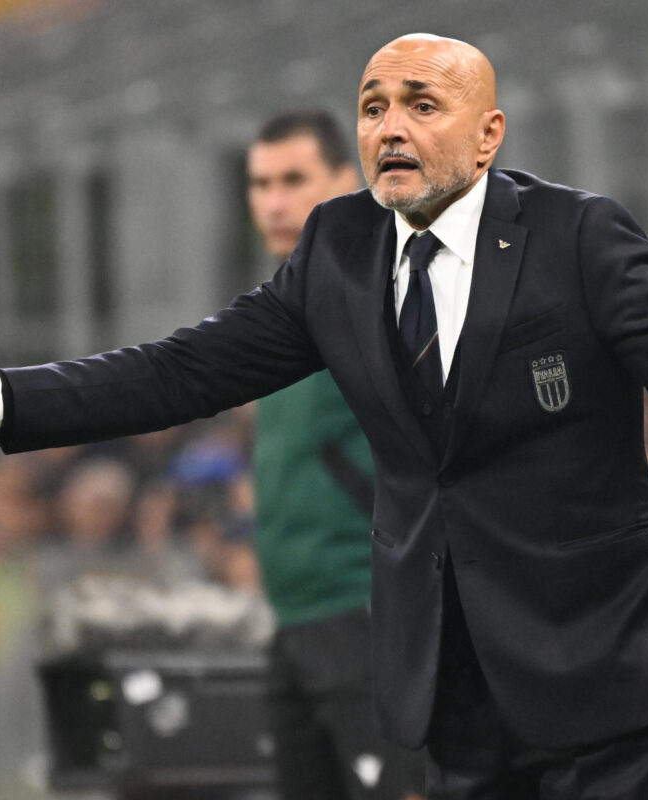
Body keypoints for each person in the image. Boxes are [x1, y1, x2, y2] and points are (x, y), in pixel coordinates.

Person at [0, 31, 648, 799]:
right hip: (449, 684)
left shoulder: (580, 235)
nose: (390, 126)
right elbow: (185, 370)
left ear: (488, 135)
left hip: (605, 667)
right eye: (373, 106)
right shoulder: (338, 248)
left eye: (422, 105)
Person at [246, 110, 424, 800]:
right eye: (261, 183)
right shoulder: (283, 305)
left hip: (367, 606)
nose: (275, 201)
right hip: (294, 617)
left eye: (295, 179)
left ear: (347, 182)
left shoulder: (380, 290)